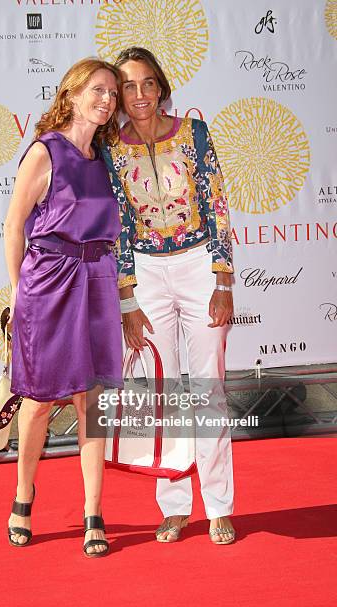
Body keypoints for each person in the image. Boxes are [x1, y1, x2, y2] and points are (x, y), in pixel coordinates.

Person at [102, 47, 236, 544]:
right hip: (147, 275)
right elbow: (115, 226)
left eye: (148, 84)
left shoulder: (195, 134)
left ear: (161, 87)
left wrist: (223, 280)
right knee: (161, 395)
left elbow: (218, 205)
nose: (139, 95)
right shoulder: (111, 150)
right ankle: (176, 506)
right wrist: (127, 299)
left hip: (200, 264)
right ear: (119, 96)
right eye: (129, 87)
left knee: (209, 389)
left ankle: (220, 505)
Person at [4, 57, 123, 557]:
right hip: (48, 284)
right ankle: (23, 495)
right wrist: (18, 295)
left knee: (91, 402)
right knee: (37, 404)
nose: (108, 100)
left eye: (113, 94)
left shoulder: (104, 159)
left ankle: (93, 510)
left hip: (96, 281)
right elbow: (14, 227)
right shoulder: (44, 151)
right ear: (71, 93)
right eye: (98, 89)